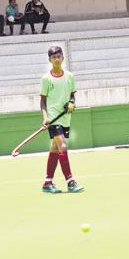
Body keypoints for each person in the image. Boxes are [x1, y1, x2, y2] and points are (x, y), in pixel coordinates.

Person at [40, 46, 83, 193]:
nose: (57, 59)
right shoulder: (46, 79)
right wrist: (45, 118)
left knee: (55, 148)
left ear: (63, 58)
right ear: (50, 60)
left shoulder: (70, 76)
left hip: (65, 118)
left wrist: (71, 103)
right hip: (53, 119)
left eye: (59, 56)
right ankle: (70, 181)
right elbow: (43, 101)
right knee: (63, 146)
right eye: (54, 57)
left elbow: (72, 95)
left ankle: (47, 182)